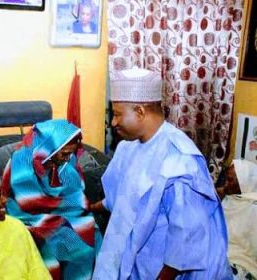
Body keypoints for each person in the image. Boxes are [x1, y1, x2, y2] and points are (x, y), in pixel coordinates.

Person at [90, 67, 233, 279]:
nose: (113, 122)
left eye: (118, 114)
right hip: (129, 254)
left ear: (140, 111)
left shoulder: (179, 161)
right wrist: (89, 207)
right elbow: (120, 196)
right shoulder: (127, 147)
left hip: (161, 267)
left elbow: (186, 239)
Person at [2, 119, 102, 280]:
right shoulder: (22, 159)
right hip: (26, 215)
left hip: (57, 210)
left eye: (71, 153)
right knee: (58, 243)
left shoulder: (64, 160)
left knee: (91, 228)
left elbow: (74, 192)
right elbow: (26, 200)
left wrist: (68, 209)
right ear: (49, 147)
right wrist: (58, 209)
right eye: (64, 154)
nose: (67, 158)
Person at [217, 159, 257, 279]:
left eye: (230, 180)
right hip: (220, 256)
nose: (225, 184)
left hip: (242, 265)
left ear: (244, 183)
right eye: (226, 179)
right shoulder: (230, 199)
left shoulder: (253, 209)